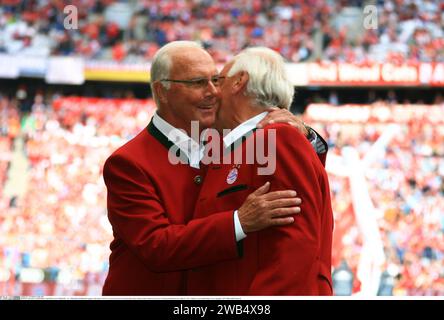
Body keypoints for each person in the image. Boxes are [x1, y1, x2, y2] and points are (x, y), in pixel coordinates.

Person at [102, 41, 317, 295]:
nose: (213, 92)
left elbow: (293, 178)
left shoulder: (227, 140)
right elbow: (157, 246)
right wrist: (239, 222)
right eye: (198, 82)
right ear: (162, 91)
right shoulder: (128, 162)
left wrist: (305, 136)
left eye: (216, 80)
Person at [187, 47, 334, 295]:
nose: (210, 92)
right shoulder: (237, 146)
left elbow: (293, 251)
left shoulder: (278, 138)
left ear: (239, 82)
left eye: (217, 81)